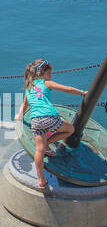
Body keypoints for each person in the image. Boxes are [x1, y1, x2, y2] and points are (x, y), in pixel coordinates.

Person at [15, 58, 86, 194]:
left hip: (35, 120)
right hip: (50, 117)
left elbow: (25, 105)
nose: (51, 76)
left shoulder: (29, 87)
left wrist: (19, 116)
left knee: (39, 150)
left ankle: (41, 180)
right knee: (70, 129)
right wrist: (82, 93)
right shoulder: (46, 83)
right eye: (49, 73)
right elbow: (67, 89)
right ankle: (49, 141)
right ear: (42, 73)